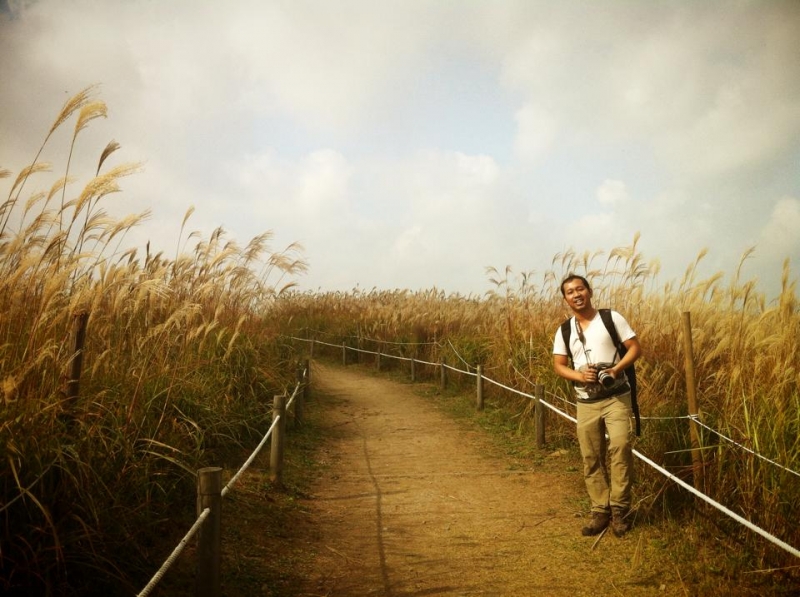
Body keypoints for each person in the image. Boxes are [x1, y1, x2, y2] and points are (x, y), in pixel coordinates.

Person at [552, 274, 642, 537]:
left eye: (580, 289)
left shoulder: (611, 318)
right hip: (586, 401)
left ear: (589, 291)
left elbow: (635, 348)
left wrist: (615, 370)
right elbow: (558, 365)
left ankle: (619, 511)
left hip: (616, 397)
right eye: (570, 292)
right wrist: (580, 375)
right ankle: (600, 511)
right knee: (591, 456)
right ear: (565, 298)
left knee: (621, 447)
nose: (576, 294)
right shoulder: (564, 330)